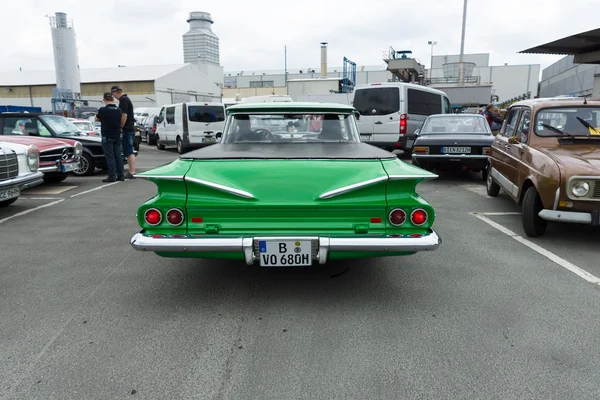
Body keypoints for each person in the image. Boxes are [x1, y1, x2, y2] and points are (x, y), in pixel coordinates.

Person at [95, 92, 125, 182]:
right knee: (118, 156)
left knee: (110, 157)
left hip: (107, 136)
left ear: (104, 100)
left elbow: (96, 118)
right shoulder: (118, 110)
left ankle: (112, 176)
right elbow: (122, 118)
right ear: (113, 99)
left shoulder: (102, 110)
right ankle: (121, 175)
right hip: (117, 135)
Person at [110, 85, 136, 179]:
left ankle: (132, 172)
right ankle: (132, 171)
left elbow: (124, 115)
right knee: (128, 150)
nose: (114, 97)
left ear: (115, 93)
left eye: (113, 95)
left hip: (127, 129)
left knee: (128, 151)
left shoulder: (123, 100)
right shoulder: (126, 99)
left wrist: (121, 126)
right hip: (130, 128)